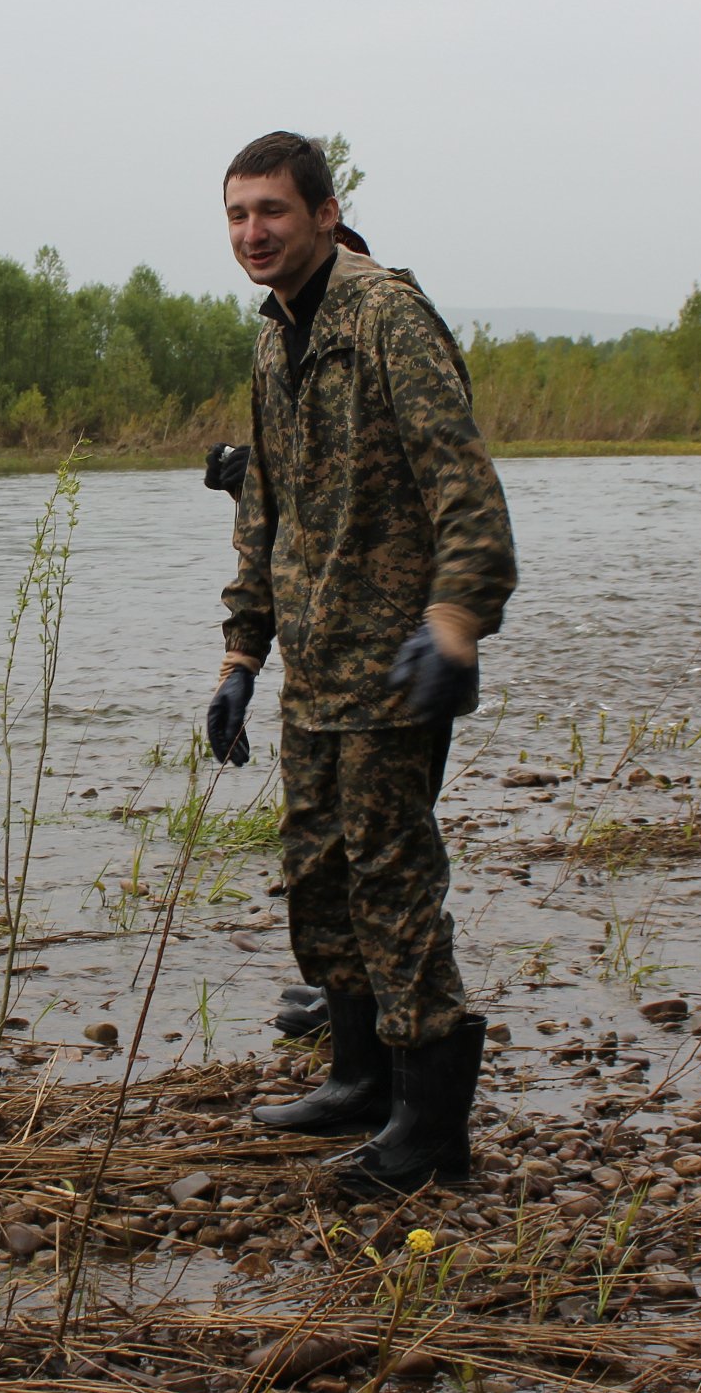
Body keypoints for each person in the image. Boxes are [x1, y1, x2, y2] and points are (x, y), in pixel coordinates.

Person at [206, 131, 517, 1191]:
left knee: (393, 884)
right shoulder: (271, 340)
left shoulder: (387, 316)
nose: (254, 232)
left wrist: (456, 624)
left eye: (273, 211)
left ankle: (430, 1132)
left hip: (395, 662)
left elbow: (465, 490)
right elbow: (266, 512)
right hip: (314, 666)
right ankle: (358, 1079)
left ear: (326, 215)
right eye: (239, 214)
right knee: (318, 876)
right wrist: (241, 655)